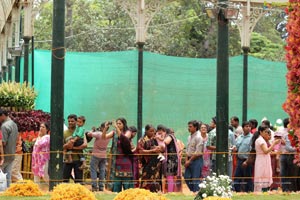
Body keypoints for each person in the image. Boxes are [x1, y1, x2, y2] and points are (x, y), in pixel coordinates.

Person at [107, 117, 134, 192]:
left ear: (124, 124)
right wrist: (105, 129)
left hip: (126, 160)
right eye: (117, 123)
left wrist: (116, 127)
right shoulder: (114, 132)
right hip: (116, 161)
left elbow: (123, 138)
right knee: (116, 184)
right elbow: (104, 137)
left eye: (120, 123)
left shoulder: (128, 132)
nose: (118, 125)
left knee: (127, 185)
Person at [87, 121, 114, 192]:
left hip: (95, 155)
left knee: (93, 170)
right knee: (102, 171)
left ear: (102, 127)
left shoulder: (99, 134)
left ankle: (94, 186)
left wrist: (92, 130)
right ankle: (101, 187)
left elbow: (89, 134)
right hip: (103, 156)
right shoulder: (108, 136)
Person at [254, 126, 281, 192]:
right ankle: (260, 192)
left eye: (267, 132)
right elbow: (266, 151)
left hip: (265, 159)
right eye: (265, 132)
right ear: (260, 132)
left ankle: (265, 191)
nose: (267, 133)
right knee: (261, 175)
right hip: (261, 160)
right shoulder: (260, 140)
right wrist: (274, 143)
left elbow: (267, 151)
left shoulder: (263, 140)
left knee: (266, 175)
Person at [140, 125, 166, 192]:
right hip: (147, 163)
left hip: (156, 163)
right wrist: (152, 151)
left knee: (156, 179)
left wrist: (159, 148)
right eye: (151, 131)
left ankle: (156, 193)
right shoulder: (142, 140)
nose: (153, 132)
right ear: (146, 131)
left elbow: (161, 148)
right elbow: (141, 151)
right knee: (146, 178)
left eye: (154, 131)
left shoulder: (154, 139)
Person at [63, 114, 87, 183]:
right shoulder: (64, 133)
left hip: (78, 159)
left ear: (76, 122)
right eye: (69, 121)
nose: (70, 123)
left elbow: (85, 145)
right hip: (67, 159)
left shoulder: (81, 131)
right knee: (65, 180)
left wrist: (73, 147)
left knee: (79, 181)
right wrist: (67, 145)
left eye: (72, 121)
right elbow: (62, 146)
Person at [233, 121, 253, 192]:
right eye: (246, 126)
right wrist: (234, 148)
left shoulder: (252, 138)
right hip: (239, 160)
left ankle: (249, 193)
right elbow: (236, 146)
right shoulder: (239, 137)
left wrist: (247, 161)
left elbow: (252, 152)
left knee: (248, 178)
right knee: (237, 177)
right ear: (243, 127)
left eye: (249, 126)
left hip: (247, 161)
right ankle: (237, 192)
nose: (248, 128)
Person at [0, 109, 18, 187]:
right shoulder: (14, 124)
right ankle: (7, 190)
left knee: (2, 174)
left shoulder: (4, 126)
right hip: (11, 154)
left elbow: (2, 143)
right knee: (8, 174)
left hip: (4, 155)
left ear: (3, 116)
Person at [184, 120, 203, 193]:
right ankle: (194, 191)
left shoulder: (199, 137)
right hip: (189, 159)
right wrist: (186, 160)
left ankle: (196, 193)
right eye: (188, 126)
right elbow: (187, 150)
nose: (188, 128)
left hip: (196, 160)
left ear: (195, 127)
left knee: (195, 178)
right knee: (186, 177)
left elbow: (198, 152)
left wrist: (189, 161)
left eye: (190, 127)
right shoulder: (189, 137)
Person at [164, 127, 182, 192]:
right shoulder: (174, 138)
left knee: (170, 177)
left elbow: (166, 142)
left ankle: (170, 192)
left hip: (171, 160)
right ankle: (172, 192)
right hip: (174, 159)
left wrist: (161, 138)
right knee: (171, 177)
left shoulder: (170, 136)